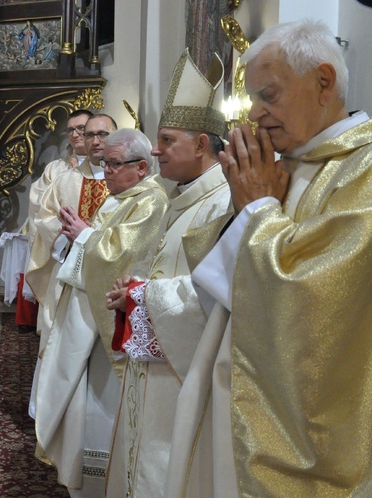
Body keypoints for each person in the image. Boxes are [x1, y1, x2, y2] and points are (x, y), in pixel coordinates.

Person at [172, 20, 372, 497]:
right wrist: (248, 206)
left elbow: (319, 299)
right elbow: (218, 268)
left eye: (269, 96)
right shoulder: (285, 163)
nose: (254, 114)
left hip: (303, 424)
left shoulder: (361, 169)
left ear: (323, 82)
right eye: (252, 99)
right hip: (234, 391)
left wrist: (259, 209)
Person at [103, 49, 232, 497]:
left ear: (201, 145)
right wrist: (131, 287)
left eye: (167, 139)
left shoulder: (224, 204)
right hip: (157, 362)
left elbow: (217, 295)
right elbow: (158, 267)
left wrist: (143, 297)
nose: (155, 149)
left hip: (185, 370)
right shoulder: (181, 195)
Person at [33, 128, 168, 496]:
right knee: (83, 406)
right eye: (104, 163)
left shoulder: (150, 201)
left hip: (108, 326)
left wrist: (84, 236)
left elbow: (124, 257)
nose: (105, 171)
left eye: (113, 164)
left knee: (101, 413)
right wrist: (80, 235)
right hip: (87, 320)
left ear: (141, 168)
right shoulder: (122, 198)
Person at [25, 113, 114, 417]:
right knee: (61, 341)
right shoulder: (65, 180)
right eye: (88, 135)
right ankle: (53, 415)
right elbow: (44, 218)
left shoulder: (132, 182)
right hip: (68, 276)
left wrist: (90, 234)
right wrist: (70, 237)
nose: (94, 141)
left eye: (102, 134)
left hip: (111, 281)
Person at [17, 109, 93, 333]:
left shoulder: (108, 168)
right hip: (62, 248)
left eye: (81, 129)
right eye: (71, 130)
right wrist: (65, 234)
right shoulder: (56, 168)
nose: (75, 134)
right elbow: (40, 205)